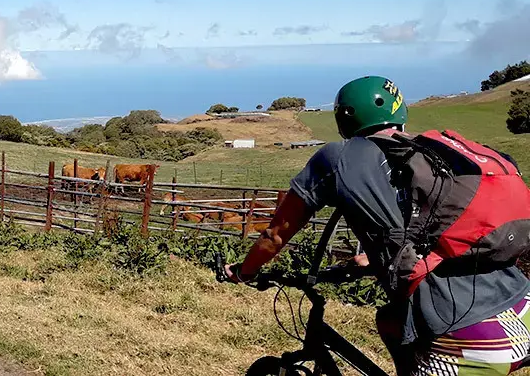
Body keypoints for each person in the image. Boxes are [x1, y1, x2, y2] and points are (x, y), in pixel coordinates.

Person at [224, 75, 530, 375]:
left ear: (344, 120)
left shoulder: (338, 158)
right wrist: (371, 258)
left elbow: (276, 234)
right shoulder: (434, 158)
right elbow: (441, 231)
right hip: (522, 310)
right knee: (389, 321)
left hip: (464, 337)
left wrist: (243, 271)